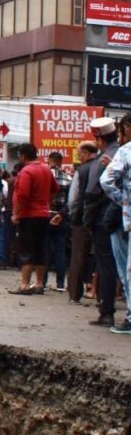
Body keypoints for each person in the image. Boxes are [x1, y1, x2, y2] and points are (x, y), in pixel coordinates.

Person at [84, 117, 121, 328]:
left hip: (105, 220)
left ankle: (107, 311)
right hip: (125, 217)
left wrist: (87, 222)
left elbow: (92, 194)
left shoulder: (103, 160)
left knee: (106, 266)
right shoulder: (123, 154)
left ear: (99, 139)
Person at [8, 143, 57, 295]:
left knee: (26, 250)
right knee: (41, 249)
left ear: (23, 155)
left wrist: (16, 213)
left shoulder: (26, 171)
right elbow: (55, 189)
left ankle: (24, 285)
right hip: (44, 214)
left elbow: (22, 194)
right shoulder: (46, 169)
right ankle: (40, 284)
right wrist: (45, 202)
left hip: (28, 215)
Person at [101, 114, 131, 334]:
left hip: (127, 219)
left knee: (128, 269)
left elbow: (106, 180)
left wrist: (124, 201)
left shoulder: (126, 151)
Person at [67, 141, 99, 305]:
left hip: (81, 219)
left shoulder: (82, 170)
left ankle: (74, 295)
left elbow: (73, 199)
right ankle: (102, 296)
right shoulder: (104, 165)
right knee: (103, 258)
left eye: (79, 154)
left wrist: (72, 215)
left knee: (78, 257)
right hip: (102, 219)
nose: (79, 157)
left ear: (86, 153)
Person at [44, 151, 72, 291]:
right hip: (61, 217)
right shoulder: (68, 178)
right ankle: (60, 284)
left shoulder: (44, 176)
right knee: (60, 250)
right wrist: (61, 214)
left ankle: (42, 282)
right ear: (61, 161)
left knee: (45, 248)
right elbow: (71, 201)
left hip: (45, 215)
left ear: (49, 160)